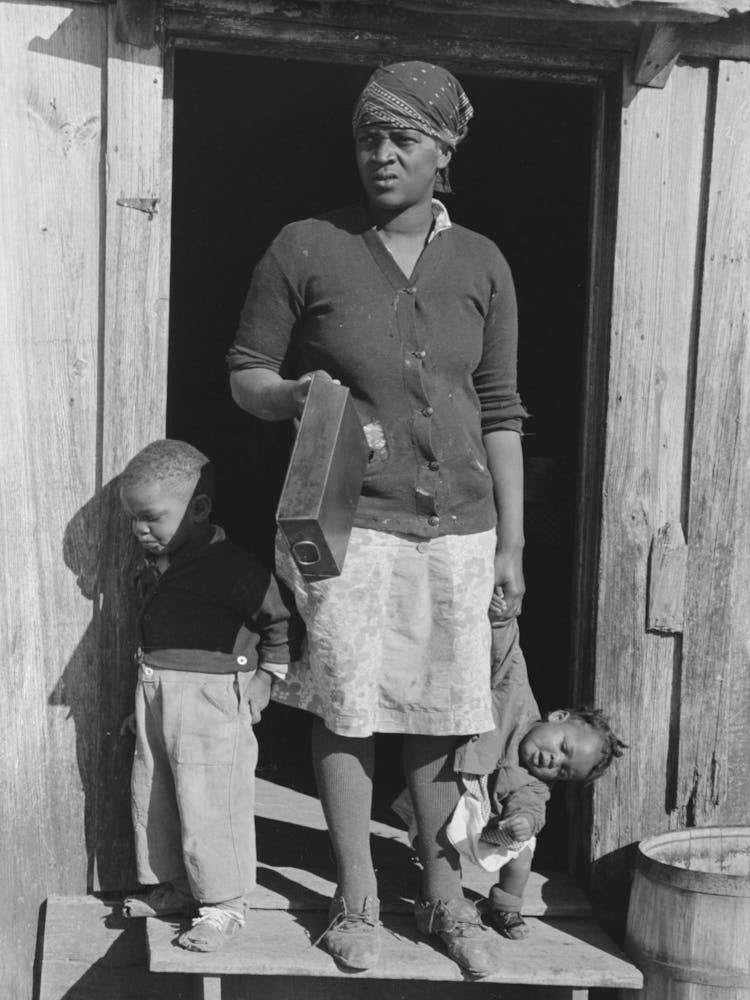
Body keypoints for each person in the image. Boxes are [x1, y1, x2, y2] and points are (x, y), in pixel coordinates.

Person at [227, 61, 527, 977]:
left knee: (444, 717)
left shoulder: (481, 262)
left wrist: (513, 541)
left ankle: (445, 903)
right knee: (348, 709)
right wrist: (295, 396)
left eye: (403, 139)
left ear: (446, 151)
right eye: (368, 137)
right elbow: (245, 371)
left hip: (462, 530)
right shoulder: (306, 246)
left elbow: (503, 407)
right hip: (345, 521)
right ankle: (354, 901)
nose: (382, 155)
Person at [118, 439, 295, 951]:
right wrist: (143, 709)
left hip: (213, 700)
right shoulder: (155, 564)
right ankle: (175, 886)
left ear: (198, 509)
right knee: (155, 796)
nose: (139, 530)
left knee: (210, 801)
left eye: (151, 518)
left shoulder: (235, 567)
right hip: (155, 691)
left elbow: (278, 623)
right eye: (133, 520)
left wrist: (267, 680)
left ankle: (225, 905)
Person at [412, 617, 627, 941]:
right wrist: (501, 619)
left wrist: (523, 821)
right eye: (563, 747)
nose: (554, 761)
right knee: (432, 840)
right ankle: (439, 888)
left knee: (523, 852)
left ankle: (506, 906)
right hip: (452, 803)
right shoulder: (517, 699)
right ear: (556, 717)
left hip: (493, 824)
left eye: (564, 771)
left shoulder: (535, 783)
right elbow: (509, 656)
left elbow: (532, 805)